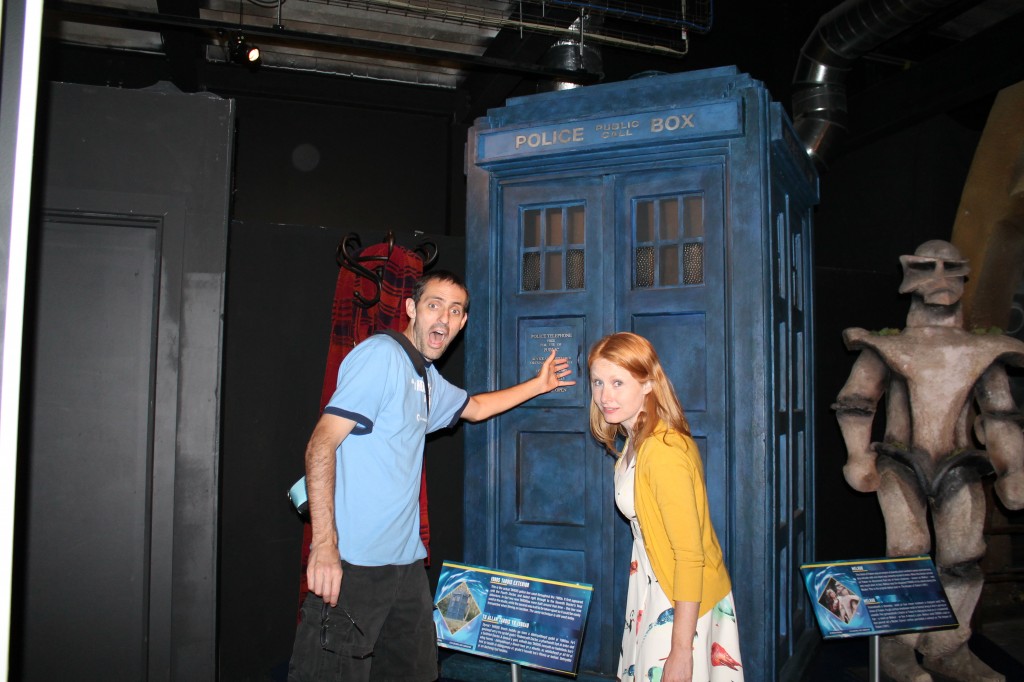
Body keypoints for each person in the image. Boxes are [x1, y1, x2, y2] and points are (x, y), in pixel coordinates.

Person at [288, 269, 575, 682]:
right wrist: (324, 546)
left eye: (454, 310)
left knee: (415, 673)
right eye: (434, 305)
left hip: (404, 566)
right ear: (412, 309)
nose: (443, 318)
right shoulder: (381, 356)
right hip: (353, 564)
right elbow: (321, 444)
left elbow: (474, 408)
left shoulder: (426, 379)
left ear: (462, 323)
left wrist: (538, 384)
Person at [588, 332, 743, 682]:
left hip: (681, 597)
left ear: (647, 383)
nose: (604, 396)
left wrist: (680, 651)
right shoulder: (635, 441)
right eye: (598, 382)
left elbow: (690, 556)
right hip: (654, 582)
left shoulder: (663, 450)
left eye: (617, 382)